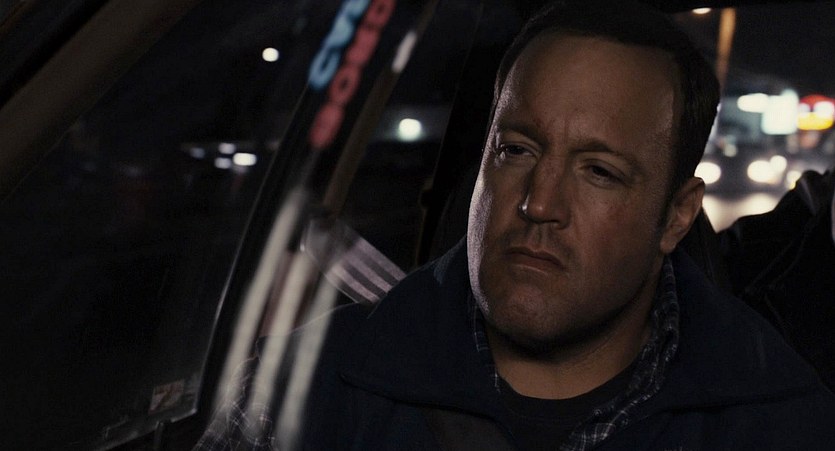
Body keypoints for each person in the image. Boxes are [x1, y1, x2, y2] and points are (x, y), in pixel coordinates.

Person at [196, 1, 835, 449]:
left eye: (599, 172)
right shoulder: (305, 389)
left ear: (676, 216)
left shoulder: (779, 423)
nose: (539, 203)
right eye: (516, 150)